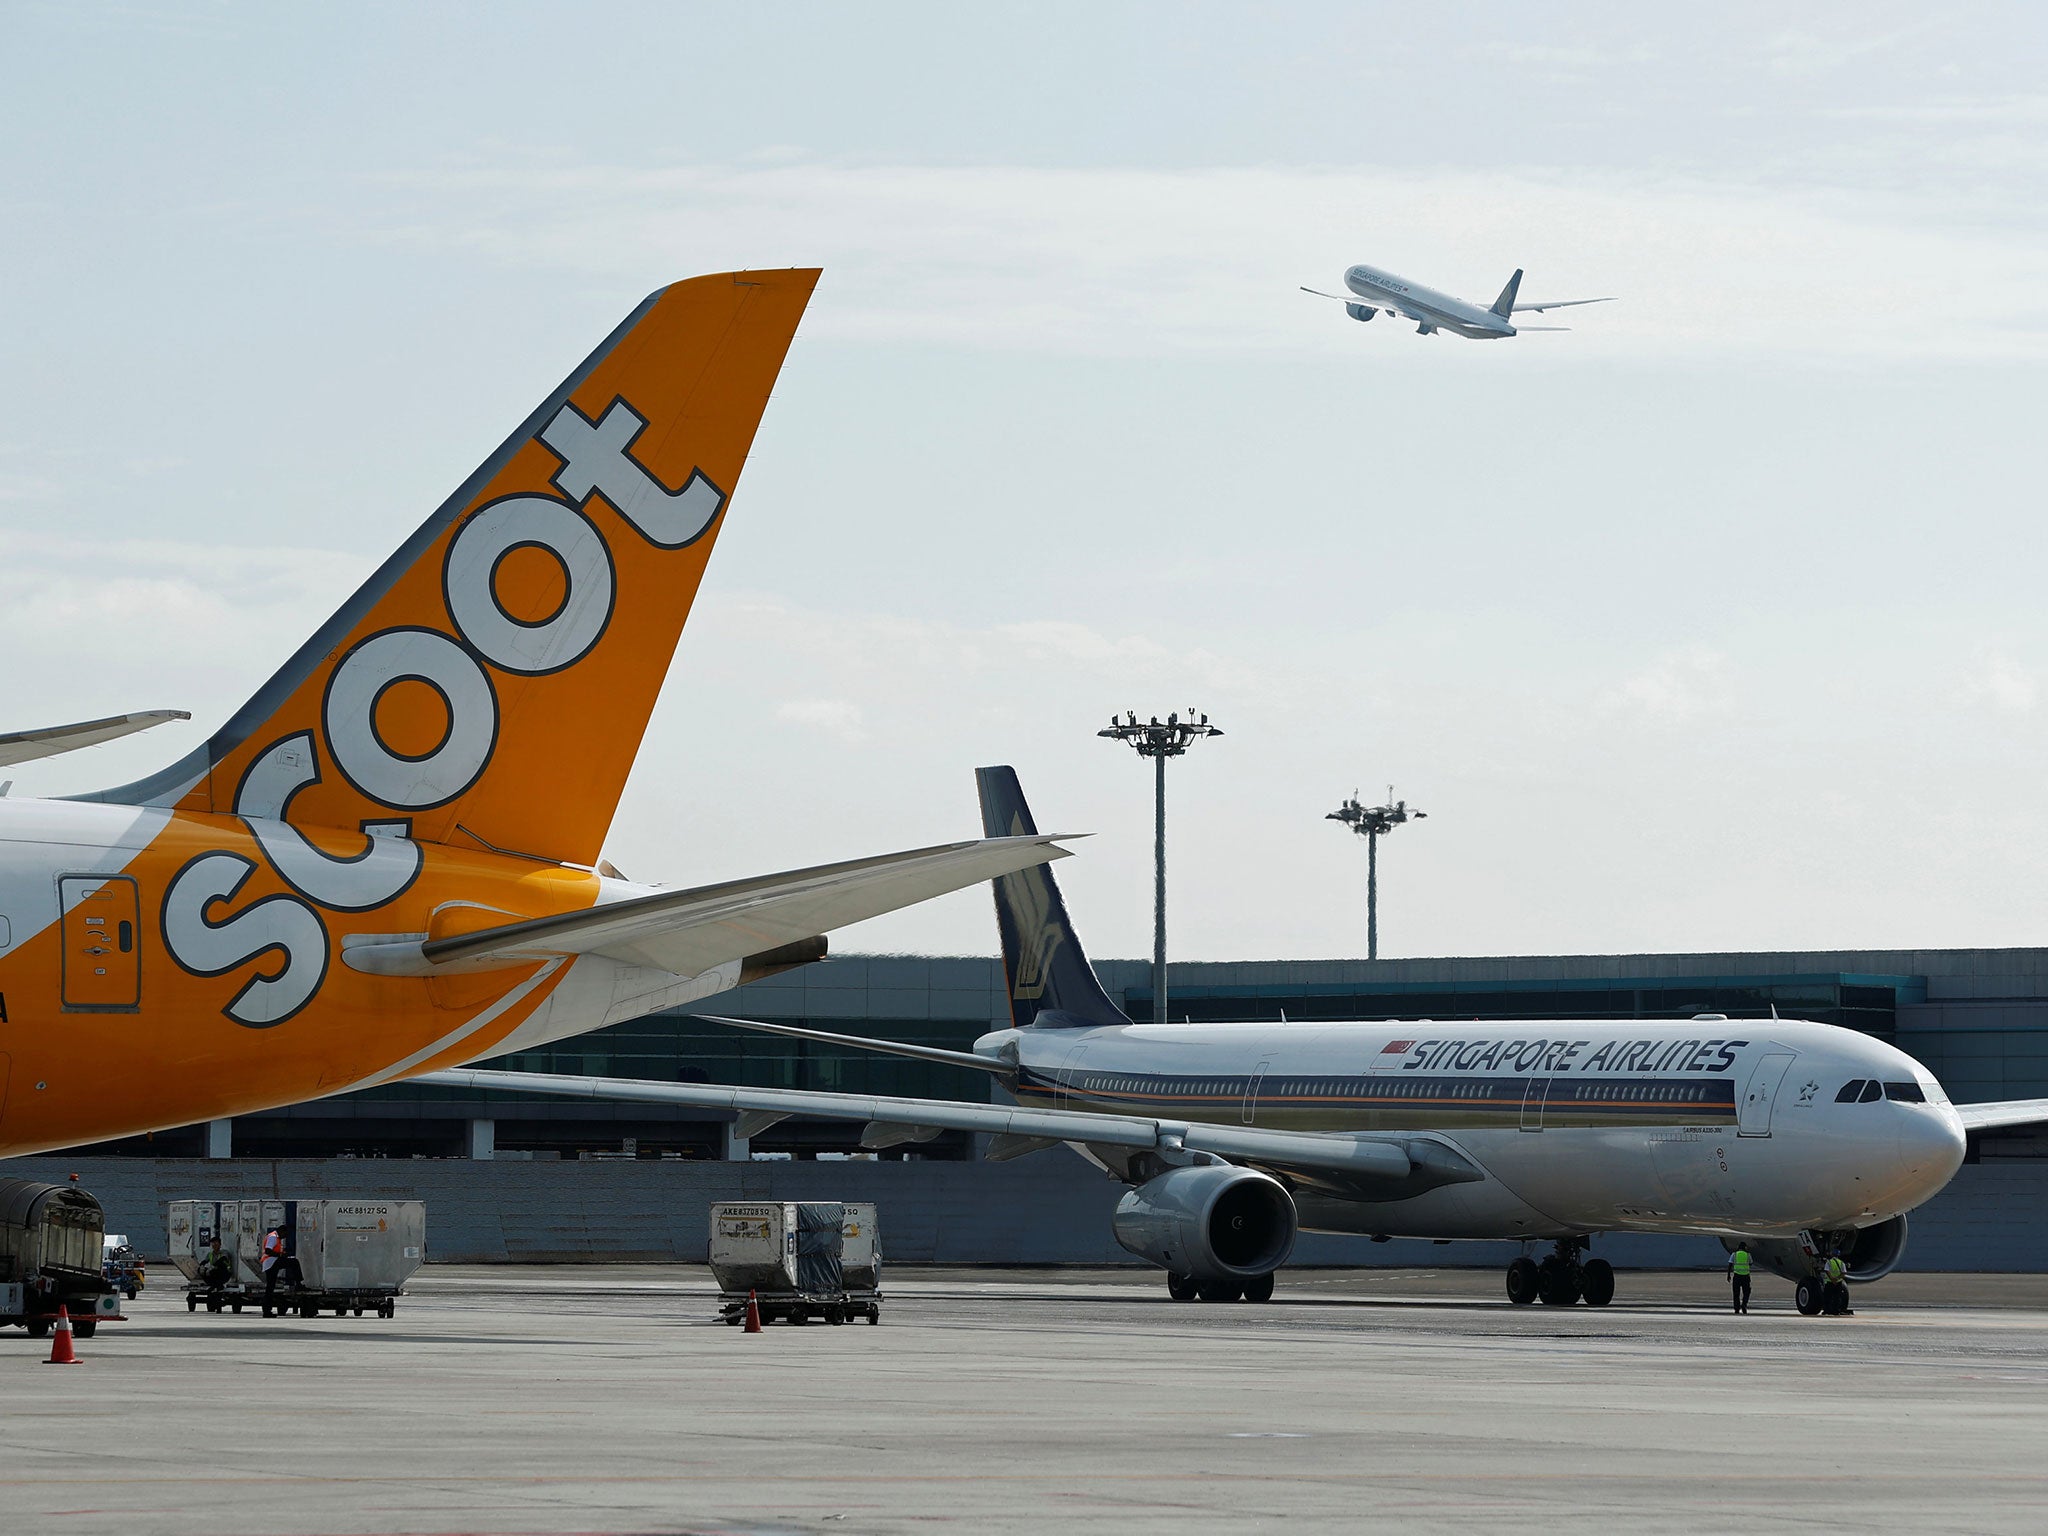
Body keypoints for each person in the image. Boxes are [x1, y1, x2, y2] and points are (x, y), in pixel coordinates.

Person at [260, 1227, 301, 1316]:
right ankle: (298, 1283)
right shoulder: (273, 1237)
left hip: (271, 1263)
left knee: (270, 1287)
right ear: (282, 1231)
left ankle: (267, 1310)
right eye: (285, 1235)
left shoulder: (274, 1236)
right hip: (272, 1262)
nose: (284, 1237)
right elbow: (268, 1250)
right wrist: (280, 1254)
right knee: (294, 1262)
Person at [1823, 1251, 1853, 1316]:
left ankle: (1826, 1311)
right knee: (1837, 1297)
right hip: (1838, 1282)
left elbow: (1826, 1270)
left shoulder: (1829, 1262)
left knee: (1827, 1297)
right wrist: (1837, 1279)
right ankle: (1836, 1311)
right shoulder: (1841, 1263)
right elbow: (1844, 1273)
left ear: (1832, 1254)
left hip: (1830, 1282)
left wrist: (1832, 1278)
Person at [1727, 1241, 1753, 1315]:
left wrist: (1728, 1275)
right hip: (1746, 1276)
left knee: (1736, 1293)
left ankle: (1736, 1309)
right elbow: (1751, 1263)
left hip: (1737, 1276)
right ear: (1744, 1247)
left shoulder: (1734, 1254)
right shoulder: (1748, 1255)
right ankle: (1744, 1304)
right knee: (1746, 1292)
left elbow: (1730, 1264)